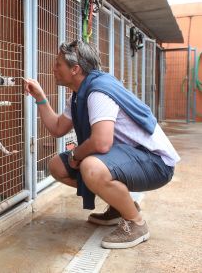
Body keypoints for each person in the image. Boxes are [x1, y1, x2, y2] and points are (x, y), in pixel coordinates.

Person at [24, 39, 180, 249]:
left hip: (156, 163)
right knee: (57, 166)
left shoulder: (98, 92)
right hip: (132, 157)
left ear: (75, 69)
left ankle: (136, 223)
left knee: (91, 166)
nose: (53, 67)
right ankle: (120, 206)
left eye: (58, 63)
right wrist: (40, 98)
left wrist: (76, 155)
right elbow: (58, 128)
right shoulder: (80, 93)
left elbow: (101, 142)